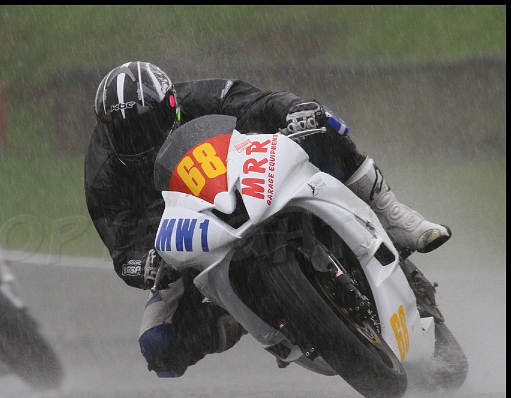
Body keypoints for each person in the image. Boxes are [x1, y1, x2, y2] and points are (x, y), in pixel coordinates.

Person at [84, 61, 451, 378]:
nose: (138, 141)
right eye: (124, 134)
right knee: (158, 346)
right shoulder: (103, 173)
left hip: (248, 181)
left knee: (317, 127)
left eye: (146, 127)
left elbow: (259, 102)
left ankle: (392, 212)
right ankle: (238, 314)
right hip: (191, 236)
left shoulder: (199, 97)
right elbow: (122, 248)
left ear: (171, 106)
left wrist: (295, 109)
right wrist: (143, 266)